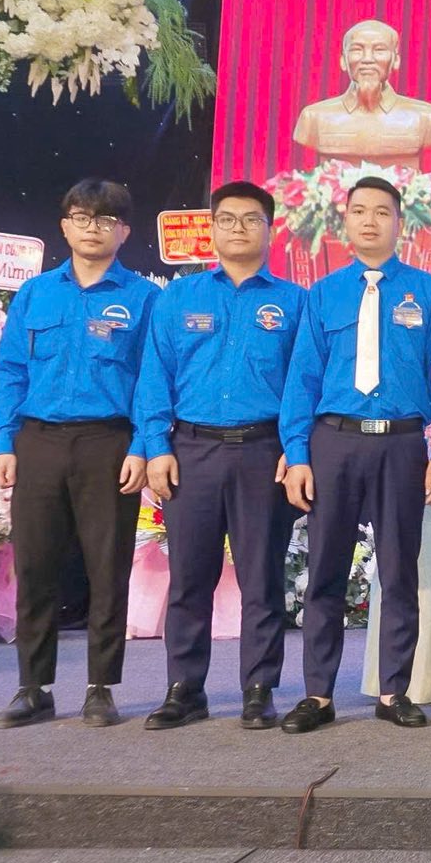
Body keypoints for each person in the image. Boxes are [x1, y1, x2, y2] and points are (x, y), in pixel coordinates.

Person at [277, 176, 431, 733]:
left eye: (383, 211)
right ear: (346, 221)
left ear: (401, 223)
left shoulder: (427, 291)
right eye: (360, 211)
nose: (371, 220)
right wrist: (297, 453)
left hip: (402, 444)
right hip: (335, 441)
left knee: (399, 572)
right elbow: (302, 379)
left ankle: (393, 690)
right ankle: (318, 694)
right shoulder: (323, 293)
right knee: (325, 572)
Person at [133, 182, 305, 731]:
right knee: (190, 578)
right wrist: (155, 446)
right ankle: (185, 689)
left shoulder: (294, 301)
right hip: (191, 451)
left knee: (261, 579)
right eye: (227, 219)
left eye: (251, 219)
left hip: (264, 451)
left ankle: (259, 688)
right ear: (211, 227)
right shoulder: (178, 298)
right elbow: (154, 376)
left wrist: (296, 449)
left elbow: (303, 385)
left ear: (270, 230)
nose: (238, 228)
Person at [0, 179, 157, 729]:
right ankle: (32, 687)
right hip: (38, 440)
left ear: (124, 231)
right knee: (35, 566)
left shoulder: (144, 299)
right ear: (64, 225)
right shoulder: (36, 293)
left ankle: (100, 688)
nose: (92, 228)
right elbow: (10, 370)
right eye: (82, 216)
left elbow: (152, 381)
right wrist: (6, 440)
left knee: (108, 568)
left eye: (106, 219)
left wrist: (141, 446)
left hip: (108, 442)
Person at [292, 19, 431, 174]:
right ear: (343, 61)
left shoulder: (426, 116)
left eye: (379, 50)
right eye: (357, 50)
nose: (367, 59)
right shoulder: (314, 116)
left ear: (396, 60)